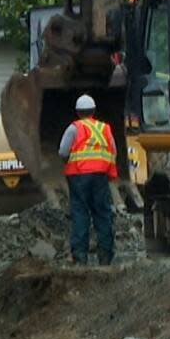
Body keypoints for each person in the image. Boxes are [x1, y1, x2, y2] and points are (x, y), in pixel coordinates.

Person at [58, 94, 118, 265]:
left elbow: (63, 151)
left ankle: (80, 256)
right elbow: (113, 151)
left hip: (78, 176)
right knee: (103, 214)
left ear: (77, 112)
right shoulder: (105, 128)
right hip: (100, 176)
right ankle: (105, 256)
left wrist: (69, 160)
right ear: (93, 111)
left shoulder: (74, 128)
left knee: (80, 213)